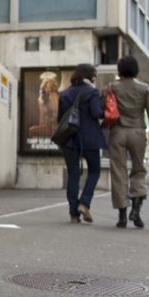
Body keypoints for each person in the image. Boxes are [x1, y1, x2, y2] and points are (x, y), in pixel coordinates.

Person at [106, 55, 149, 228]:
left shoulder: (112, 87)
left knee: (119, 172)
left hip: (117, 132)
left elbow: (106, 108)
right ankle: (136, 211)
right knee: (139, 170)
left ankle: (122, 216)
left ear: (120, 69)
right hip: (138, 133)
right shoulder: (144, 88)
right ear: (136, 69)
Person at [56, 63, 106, 224]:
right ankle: (84, 203)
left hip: (69, 139)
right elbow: (97, 113)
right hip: (90, 139)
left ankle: (73, 214)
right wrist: (103, 104)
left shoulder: (64, 94)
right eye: (94, 75)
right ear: (90, 76)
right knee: (94, 171)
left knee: (73, 175)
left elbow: (60, 119)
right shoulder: (92, 92)